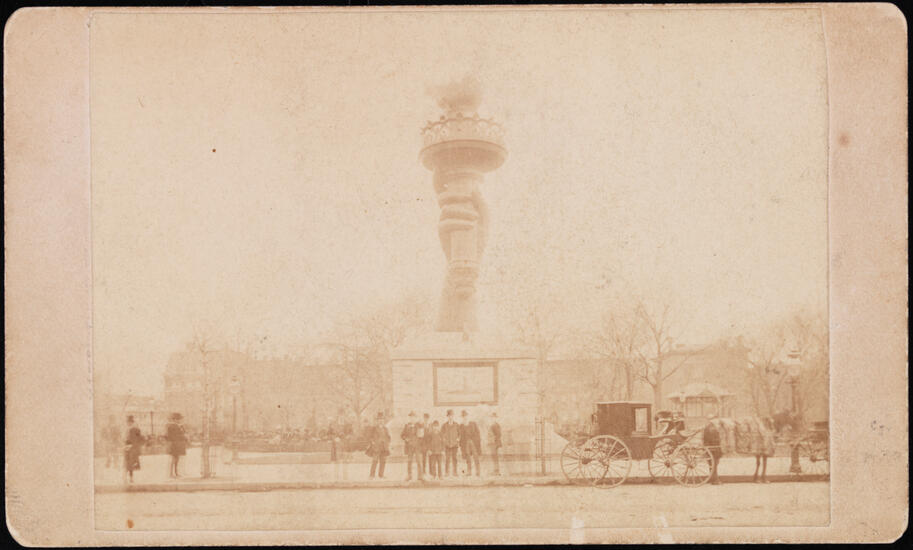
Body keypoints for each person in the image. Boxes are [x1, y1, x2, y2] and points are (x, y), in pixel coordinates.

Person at [401, 411, 424, 481]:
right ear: (409, 418)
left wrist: (421, 424)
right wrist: (406, 439)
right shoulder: (407, 426)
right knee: (409, 461)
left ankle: (420, 476)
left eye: (413, 417)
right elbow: (402, 435)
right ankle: (409, 476)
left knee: (419, 461)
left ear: (416, 418)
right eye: (411, 417)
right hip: (410, 446)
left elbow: (422, 434)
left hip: (417, 446)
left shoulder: (419, 425)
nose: (412, 419)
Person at [366, 412, 391, 479]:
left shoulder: (385, 429)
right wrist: (373, 442)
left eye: (382, 419)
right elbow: (370, 437)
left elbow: (388, 437)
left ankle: (381, 475)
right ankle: (372, 475)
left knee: (383, 461)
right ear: (377, 421)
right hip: (376, 447)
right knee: (375, 460)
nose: (381, 421)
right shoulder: (374, 428)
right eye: (379, 419)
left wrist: (387, 443)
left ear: (383, 420)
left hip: (384, 447)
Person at [165, 412, 188, 478]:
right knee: (174, 459)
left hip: (178, 444)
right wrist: (183, 437)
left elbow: (183, 433)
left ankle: (176, 473)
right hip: (175, 444)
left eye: (180, 419)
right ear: (174, 419)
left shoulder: (179, 426)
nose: (180, 420)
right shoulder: (172, 426)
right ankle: (172, 473)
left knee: (176, 459)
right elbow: (171, 436)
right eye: (179, 419)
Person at [459, 410, 482, 477]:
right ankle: (469, 472)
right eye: (463, 416)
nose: (465, 417)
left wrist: (477, 441)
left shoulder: (473, 423)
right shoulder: (461, 426)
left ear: (468, 416)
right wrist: (461, 444)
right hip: (466, 443)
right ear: (462, 417)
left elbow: (478, 433)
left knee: (476, 457)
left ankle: (478, 472)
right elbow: (461, 436)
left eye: (465, 416)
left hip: (473, 442)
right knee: (468, 457)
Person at [123, 415, 144, 483]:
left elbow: (139, 438)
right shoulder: (127, 429)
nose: (128, 423)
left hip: (132, 448)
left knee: (130, 464)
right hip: (128, 448)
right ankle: (127, 477)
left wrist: (135, 446)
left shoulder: (134, 429)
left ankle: (130, 478)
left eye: (130, 422)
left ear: (132, 422)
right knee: (127, 463)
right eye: (128, 422)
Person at [702, 418, 723, 485]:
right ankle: (715, 480)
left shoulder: (708, 427)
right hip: (713, 447)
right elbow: (713, 440)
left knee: (712, 463)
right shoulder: (712, 428)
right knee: (714, 463)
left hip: (709, 447)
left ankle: (712, 478)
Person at [441, 409, 461, 477]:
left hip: (454, 445)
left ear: (453, 416)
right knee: (447, 459)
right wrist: (444, 440)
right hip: (447, 445)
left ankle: (455, 472)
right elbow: (441, 434)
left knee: (454, 459)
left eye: (451, 415)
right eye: (449, 416)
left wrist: (458, 439)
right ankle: (447, 472)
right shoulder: (444, 425)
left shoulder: (456, 425)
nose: (450, 417)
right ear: (447, 416)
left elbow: (459, 434)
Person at [488, 411, 502, 476]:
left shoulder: (495, 425)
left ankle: (496, 471)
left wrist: (494, 440)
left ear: (495, 418)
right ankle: (496, 470)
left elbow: (499, 434)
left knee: (495, 457)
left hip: (494, 443)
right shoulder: (494, 425)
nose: (492, 418)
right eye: (491, 417)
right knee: (494, 457)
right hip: (493, 443)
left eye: (493, 417)